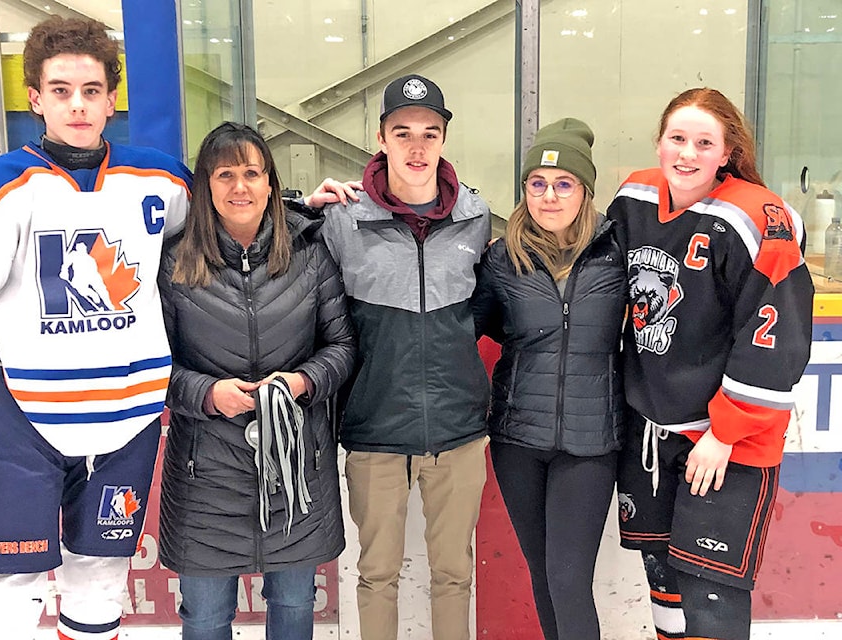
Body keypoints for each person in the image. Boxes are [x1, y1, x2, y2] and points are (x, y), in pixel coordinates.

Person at [0, 16, 191, 639]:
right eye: (62, 90)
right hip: (22, 422)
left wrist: (303, 210)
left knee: (99, 578)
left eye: (92, 90)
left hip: (129, 421)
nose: (78, 104)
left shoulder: (161, 180)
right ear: (36, 99)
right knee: (5, 593)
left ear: (111, 99)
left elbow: (231, 217)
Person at [608, 88, 814, 640]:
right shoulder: (634, 196)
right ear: (659, 142)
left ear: (726, 153)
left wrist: (725, 434)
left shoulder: (758, 217)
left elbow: (777, 335)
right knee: (663, 578)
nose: (687, 154)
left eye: (704, 143)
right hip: (650, 428)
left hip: (723, 443)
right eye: (677, 139)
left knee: (711, 593)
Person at [157, 121, 356, 640]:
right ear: (205, 185)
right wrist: (205, 393)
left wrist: (304, 382)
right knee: (204, 616)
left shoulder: (310, 254)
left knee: (293, 603)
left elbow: (342, 347)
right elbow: (154, 364)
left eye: (252, 172)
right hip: (206, 474)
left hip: (296, 467)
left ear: (271, 183)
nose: (240, 186)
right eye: (225, 174)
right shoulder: (174, 262)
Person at [318, 74, 491, 640]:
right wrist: (303, 205)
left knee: (454, 573)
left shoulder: (476, 218)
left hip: (458, 430)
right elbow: (280, 259)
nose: (417, 148)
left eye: (430, 133)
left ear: (444, 138)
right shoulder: (342, 220)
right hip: (374, 429)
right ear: (381, 138)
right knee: (377, 574)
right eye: (403, 133)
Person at [470, 118, 626, 640]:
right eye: (537, 183)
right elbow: (463, 330)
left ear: (585, 191)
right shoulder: (500, 260)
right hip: (518, 441)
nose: (549, 196)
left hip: (590, 442)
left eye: (564, 184)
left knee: (568, 577)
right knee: (542, 574)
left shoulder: (617, 255)